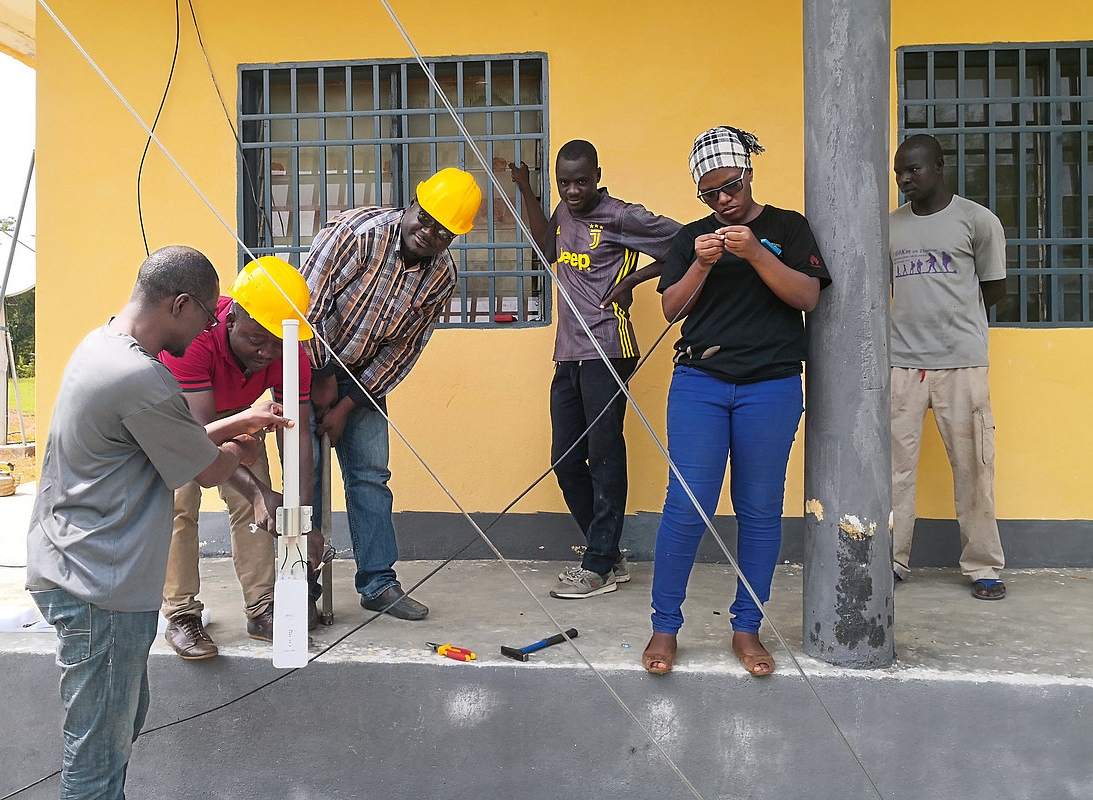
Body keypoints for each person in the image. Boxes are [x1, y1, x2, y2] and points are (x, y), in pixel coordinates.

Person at [26, 245, 293, 798]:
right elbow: (204, 468)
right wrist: (244, 452)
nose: (205, 332)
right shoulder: (139, 377)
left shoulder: (101, 343)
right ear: (179, 304)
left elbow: (170, 439)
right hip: (99, 586)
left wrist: (239, 421)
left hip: (78, 566)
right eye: (205, 317)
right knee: (97, 759)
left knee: (115, 733)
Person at [642, 127, 830, 677]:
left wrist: (754, 253)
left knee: (759, 510)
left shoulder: (786, 228)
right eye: (709, 193)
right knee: (686, 504)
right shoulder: (693, 238)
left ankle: (747, 628)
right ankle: (664, 625)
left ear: (749, 173)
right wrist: (700, 263)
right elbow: (671, 310)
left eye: (730, 186)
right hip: (700, 382)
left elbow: (807, 296)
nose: (722, 200)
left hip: (770, 385)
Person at [300, 167, 481, 620]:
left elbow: (405, 349)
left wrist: (345, 403)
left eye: (445, 231)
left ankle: (378, 583)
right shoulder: (354, 236)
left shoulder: (441, 278)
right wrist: (319, 376)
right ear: (413, 203)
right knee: (308, 479)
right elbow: (305, 308)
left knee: (371, 477)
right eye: (426, 217)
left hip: (363, 383)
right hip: (304, 365)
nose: (430, 232)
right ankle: (302, 583)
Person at [509, 140, 681, 599]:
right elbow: (547, 246)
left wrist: (633, 280)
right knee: (565, 460)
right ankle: (607, 552)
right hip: (567, 353)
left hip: (608, 349)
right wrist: (527, 189)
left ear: (597, 174)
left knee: (604, 455)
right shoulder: (565, 212)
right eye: (564, 183)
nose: (572, 191)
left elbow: (686, 243)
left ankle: (599, 563)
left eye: (581, 181)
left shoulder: (621, 216)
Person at [158, 257, 316, 659]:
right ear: (230, 321)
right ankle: (180, 613)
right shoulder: (194, 338)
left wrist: (299, 514)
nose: (267, 352)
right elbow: (197, 440)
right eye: (256, 340)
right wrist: (261, 490)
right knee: (180, 504)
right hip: (177, 416)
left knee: (256, 505)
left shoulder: (290, 349)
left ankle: (263, 608)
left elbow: (297, 436)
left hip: (236, 415)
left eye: (277, 342)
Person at [889, 133, 1008, 600]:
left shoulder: (977, 221)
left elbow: (993, 289)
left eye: (913, 169)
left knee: (974, 467)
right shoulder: (891, 226)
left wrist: (955, 324)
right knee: (895, 471)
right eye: (899, 171)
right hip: (902, 367)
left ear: (939, 167)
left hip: (962, 366)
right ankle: (892, 560)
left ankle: (983, 566)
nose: (904, 179)